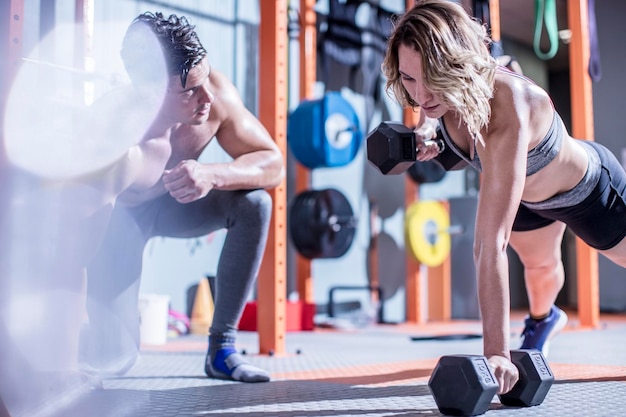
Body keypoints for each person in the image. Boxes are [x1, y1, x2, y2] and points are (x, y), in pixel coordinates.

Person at [382, 0, 626, 395]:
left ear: (456, 64)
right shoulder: (437, 98)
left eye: (431, 77)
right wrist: (430, 137)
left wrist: (496, 352)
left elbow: (489, 243)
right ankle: (543, 320)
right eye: (409, 79)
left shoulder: (508, 102)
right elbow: (438, 122)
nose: (422, 94)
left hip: (588, 190)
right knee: (542, 271)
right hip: (528, 200)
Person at [79, 12, 284, 383]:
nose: (207, 97)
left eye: (205, 80)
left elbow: (273, 164)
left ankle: (222, 348)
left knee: (255, 203)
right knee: (117, 357)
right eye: (189, 90)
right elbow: (78, 229)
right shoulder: (114, 127)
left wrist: (213, 173)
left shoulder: (213, 94)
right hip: (117, 224)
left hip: (177, 208)